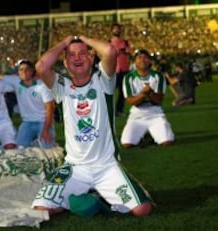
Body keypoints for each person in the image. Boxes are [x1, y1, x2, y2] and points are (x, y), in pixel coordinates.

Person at [32, 35, 153, 217]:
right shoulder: (62, 86)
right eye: (71, 55)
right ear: (65, 62)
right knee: (41, 209)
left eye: (82, 53)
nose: (78, 58)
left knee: (142, 210)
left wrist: (81, 38)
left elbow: (111, 51)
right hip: (74, 167)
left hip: (106, 166)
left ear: (91, 58)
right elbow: (41, 66)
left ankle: (96, 197)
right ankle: (87, 196)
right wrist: (66, 42)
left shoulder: (103, 81)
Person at [121, 49, 174, 148]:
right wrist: (144, 94)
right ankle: (146, 133)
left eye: (145, 57)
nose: (142, 60)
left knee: (167, 142)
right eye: (139, 57)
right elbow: (131, 101)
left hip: (155, 112)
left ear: (150, 61)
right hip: (137, 114)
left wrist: (148, 94)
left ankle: (151, 134)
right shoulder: (128, 77)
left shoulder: (158, 76)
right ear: (135, 62)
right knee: (126, 144)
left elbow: (159, 100)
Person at [2, 59, 56, 149]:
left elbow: (50, 107)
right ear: (18, 72)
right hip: (27, 123)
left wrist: (46, 130)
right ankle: (35, 142)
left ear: (32, 71)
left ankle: (41, 140)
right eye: (21, 69)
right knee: (19, 149)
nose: (24, 72)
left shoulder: (41, 86)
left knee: (48, 150)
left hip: (42, 122)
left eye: (27, 69)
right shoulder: (16, 82)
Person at [109, 23, 132, 117]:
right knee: (110, 91)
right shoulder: (109, 41)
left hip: (124, 69)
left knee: (123, 92)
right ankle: (109, 111)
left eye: (118, 29)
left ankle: (119, 110)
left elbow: (130, 51)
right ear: (112, 31)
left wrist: (125, 51)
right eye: (115, 29)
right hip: (114, 70)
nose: (117, 30)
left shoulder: (125, 42)